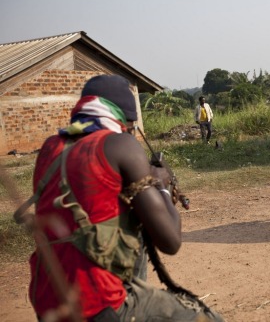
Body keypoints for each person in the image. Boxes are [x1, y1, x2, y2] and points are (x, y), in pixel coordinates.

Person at [25, 75, 224, 321]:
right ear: (125, 119)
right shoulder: (120, 144)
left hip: (47, 301)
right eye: (130, 127)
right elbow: (170, 242)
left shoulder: (50, 147)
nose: (130, 132)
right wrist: (161, 185)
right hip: (97, 303)